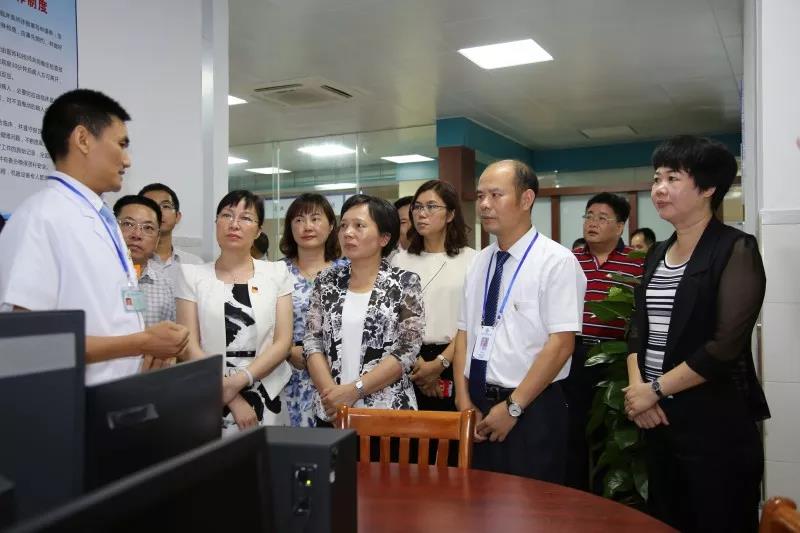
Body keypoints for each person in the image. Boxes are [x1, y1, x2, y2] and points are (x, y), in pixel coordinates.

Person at [624, 136, 769, 532]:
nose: (659, 188)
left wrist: (655, 390)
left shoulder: (735, 249)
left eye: (673, 178)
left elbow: (724, 347)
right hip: (656, 419)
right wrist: (639, 392)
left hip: (714, 423)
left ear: (707, 188)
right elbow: (638, 328)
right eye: (656, 178)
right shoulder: (657, 253)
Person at [0, 89, 188, 385]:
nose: (127, 160)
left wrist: (143, 357)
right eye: (121, 144)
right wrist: (141, 342)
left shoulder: (100, 219)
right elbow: (26, 346)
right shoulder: (41, 217)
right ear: (83, 139)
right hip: (69, 403)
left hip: (117, 397)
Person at [453, 160, 586, 483]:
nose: (484, 204)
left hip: (530, 407)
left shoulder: (556, 262)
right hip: (477, 405)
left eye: (496, 195)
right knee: (477, 499)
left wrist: (514, 407)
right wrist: (463, 398)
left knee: (529, 504)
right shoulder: (479, 262)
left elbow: (561, 345)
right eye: (480, 196)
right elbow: (464, 333)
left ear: (526, 199)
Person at [176, 190, 294, 435]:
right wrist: (230, 395)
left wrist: (240, 380)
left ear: (259, 231)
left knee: (268, 457)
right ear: (216, 223)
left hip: (266, 390)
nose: (234, 224)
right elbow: (189, 346)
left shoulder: (276, 273)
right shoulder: (191, 275)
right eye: (227, 215)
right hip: (212, 393)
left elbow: (283, 343)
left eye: (246, 218)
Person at [304, 194, 424, 426]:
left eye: (359, 226)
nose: (348, 233)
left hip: (386, 412)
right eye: (344, 226)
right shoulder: (326, 281)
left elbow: (407, 349)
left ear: (384, 237)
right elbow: (312, 341)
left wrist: (354, 391)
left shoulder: (405, 283)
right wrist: (332, 396)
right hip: (331, 411)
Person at [565, 192, 644, 490]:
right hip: (572, 355)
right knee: (572, 432)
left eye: (602, 218)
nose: (592, 223)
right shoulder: (568, 260)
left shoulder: (636, 263)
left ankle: (606, 499)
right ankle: (572, 496)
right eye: (589, 216)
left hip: (617, 362)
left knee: (609, 440)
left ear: (620, 226)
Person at [392, 180, 477, 414]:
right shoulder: (399, 261)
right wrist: (417, 361)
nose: (422, 214)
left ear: (450, 214)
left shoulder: (472, 260)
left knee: (450, 431)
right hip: (408, 360)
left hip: (455, 358)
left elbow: (472, 321)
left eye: (431, 207)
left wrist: (440, 364)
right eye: (417, 207)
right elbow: (393, 318)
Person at [278, 193, 345, 427]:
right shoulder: (275, 273)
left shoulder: (347, 272)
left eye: (315, 219)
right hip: (288, 374)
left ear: (331, 225)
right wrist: (287, 351)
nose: (307, 226)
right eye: (299, 220)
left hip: (338, 377)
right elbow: (262, 325)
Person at [113, 195, 178, 372]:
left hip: (153, 380)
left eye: (148, 228)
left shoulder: (167, 286)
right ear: (112, 228)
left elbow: (173, 343)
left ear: (157, 238)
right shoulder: (93, 280)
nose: (136, 234)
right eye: (128, 224)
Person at [139, 182, 204, 288]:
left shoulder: (195, 264)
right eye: (150, 205)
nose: (158, 212)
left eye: (165, 206)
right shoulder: (128, 263)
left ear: (177, 216)